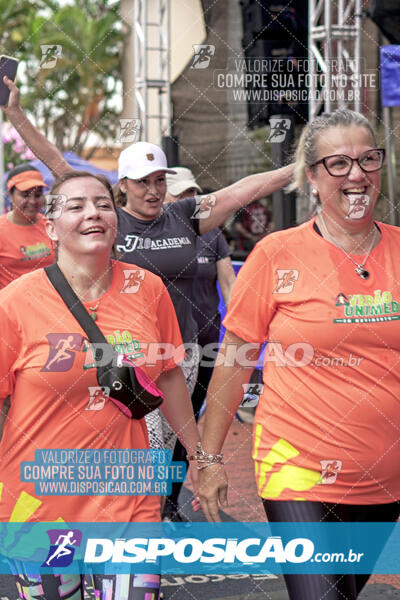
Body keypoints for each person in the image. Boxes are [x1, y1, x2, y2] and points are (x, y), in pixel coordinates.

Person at [197, 109, 400, 600]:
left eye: (368, 159)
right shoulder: (275, 254)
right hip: (298, 464)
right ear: (310, 177)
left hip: (385, 471)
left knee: (344, 591)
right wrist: (209, 457)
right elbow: (235, 359)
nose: (357, 174)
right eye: (338, 164)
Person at [0, 171, 201, 599]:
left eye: (103, 204)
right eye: (75, 206)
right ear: (50, 227)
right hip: (41, 505)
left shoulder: (147, 288)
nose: (93, 212)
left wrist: (201, 458)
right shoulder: (14, 303)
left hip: (128, 500)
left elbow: (167, 375)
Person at [163, 167, 236, 521]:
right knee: (149, 430)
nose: (188, 201)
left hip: (203, 345)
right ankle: (139, 506)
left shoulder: (212, 235)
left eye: (192, 193)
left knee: (186, 427)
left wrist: (242, 331)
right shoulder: (145, 235)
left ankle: (169, 502)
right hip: (158, 349)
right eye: (179, 195)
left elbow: (229, 283)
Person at [0, 163, 54, 289]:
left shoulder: (51, 226)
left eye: (38, 194)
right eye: (25, 195)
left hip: (49, 302)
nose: (33, 201)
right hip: (11, 305)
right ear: (10, 194)